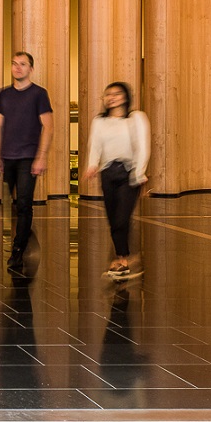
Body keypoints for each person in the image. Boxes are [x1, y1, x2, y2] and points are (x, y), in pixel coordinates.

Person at [0, 51, 53, 278]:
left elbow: (48, 126)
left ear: (31, 69)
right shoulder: (4, 94)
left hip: (28, 156)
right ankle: (24, 234)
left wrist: (41, 156)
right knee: (12, 204)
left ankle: (17, 249)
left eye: (23, 64)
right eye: (14, 64)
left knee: (24, 203)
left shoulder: (39, 94)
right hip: (8, 156)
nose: (17, 68)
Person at [83, 81, 150, 280]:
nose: (112, 97)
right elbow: (94, 145)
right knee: (113, 219)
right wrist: (92, 165)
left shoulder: (136, 118)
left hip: (128, 173)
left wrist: (140, 172)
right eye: (108, 94)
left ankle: (122, 259)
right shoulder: (99, 121)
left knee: (122, 217)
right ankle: (123, 255)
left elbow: (143, 146)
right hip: (108, 173)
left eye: (117, 93)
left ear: (126, 96)